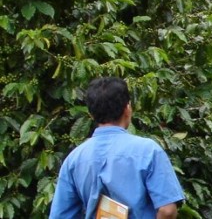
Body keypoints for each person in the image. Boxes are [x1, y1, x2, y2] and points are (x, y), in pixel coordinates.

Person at [49, 77, 185, 218]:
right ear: (127, 108)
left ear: (91, 114)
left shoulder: (74, 159)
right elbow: (167, 210)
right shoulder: (148, 151)